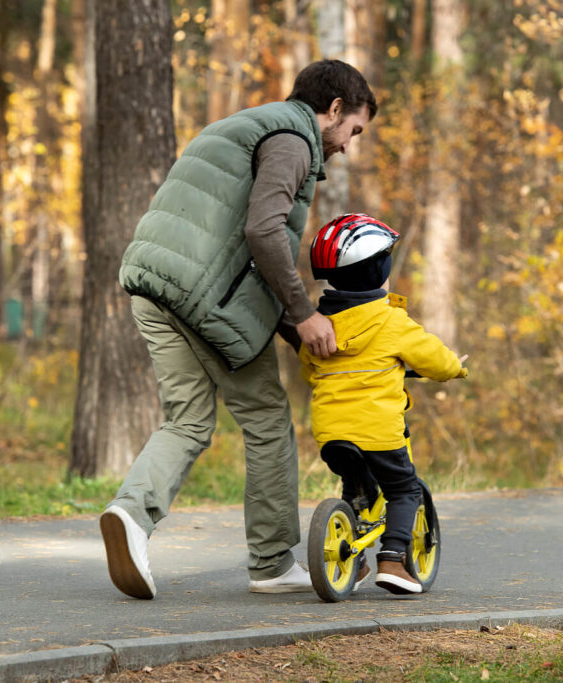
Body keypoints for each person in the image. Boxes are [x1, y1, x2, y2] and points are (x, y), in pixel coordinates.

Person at [99, 61, 378, 600]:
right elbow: (263, 230)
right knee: (268, 418)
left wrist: (298, 335)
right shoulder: (295, 139)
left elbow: (232, 246)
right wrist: (302, 313)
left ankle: (130, 515)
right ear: (336, 110)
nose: (348, 145)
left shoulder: (244, 124)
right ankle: (273, 563)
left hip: (154, 286)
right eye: (354, 131)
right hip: (205, 300)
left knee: (186, 421)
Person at [299, 213, 468, 594]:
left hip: (330, 433)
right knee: (404, 488)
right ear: (379, 271)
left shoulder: (318, 325)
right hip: (379, 432)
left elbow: (309, 368)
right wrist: (456, 368)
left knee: (355, 487)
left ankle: (351, 560)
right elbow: (433, 358)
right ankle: (392, 559)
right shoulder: (392, 321)